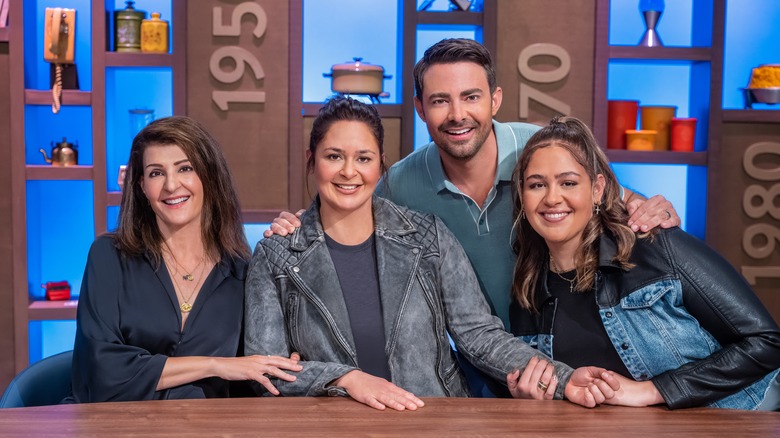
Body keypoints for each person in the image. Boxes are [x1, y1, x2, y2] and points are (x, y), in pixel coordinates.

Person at [265, 38, 679, 397]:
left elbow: (609, 194)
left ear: (495, 100)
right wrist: (303, 223)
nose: (457, 114)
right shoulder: (401, 182)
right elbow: (350, 202)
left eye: (471, 97)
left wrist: (649, 208)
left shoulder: (539, 150)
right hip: (488, 358)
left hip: (579, 335)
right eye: (440, 100)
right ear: (420, 109)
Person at [244, 97, 622, 411]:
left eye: (363, 158)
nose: (349, 172)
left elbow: (479, 335)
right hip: (331, 427)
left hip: (431, 419)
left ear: (380, 164)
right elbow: (265, 370)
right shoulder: (277, 254)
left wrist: (564, 379)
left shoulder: (427, 236)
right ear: (312, 160)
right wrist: (345, 378)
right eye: (333, 156)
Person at [508, 115, 780, 410]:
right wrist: (538, 397)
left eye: (568, 182)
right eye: (537, 185)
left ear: (597, 189)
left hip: (741, 420)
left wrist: (653, 391)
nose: (552, 198)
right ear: (523, 195)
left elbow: (767, 342)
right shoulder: (528, 290)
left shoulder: (655, 245)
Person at [68, 116, 302, 402]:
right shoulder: (109, 256)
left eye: (185, 168)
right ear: (142, 186)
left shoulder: (241, 272)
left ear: (209, 177)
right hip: (115, 426)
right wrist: (215, 365)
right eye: (156, 173)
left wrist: (298, 240)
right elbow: (102, 370)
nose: (171, 185)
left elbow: (256, 371)